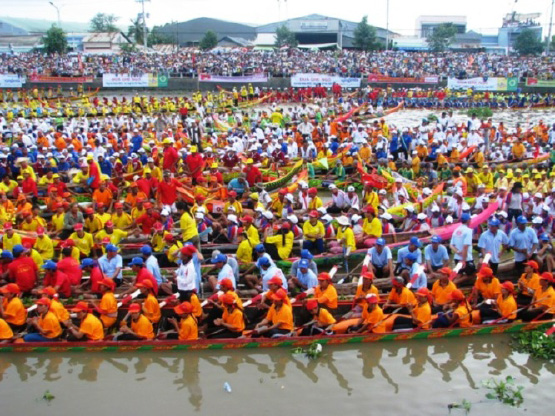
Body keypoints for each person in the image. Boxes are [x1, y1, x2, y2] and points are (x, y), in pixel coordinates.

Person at [449, 213, 475, 285]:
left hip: (457, 258)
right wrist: (463, 260)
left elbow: (451, 245)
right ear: (468, 220)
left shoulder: (456, 230)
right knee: (472, 275)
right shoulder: (468, 231)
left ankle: (451, 284)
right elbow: (465, 246)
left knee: (459, 274)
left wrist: (457, 251)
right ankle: (452, 285)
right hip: (467, 258)